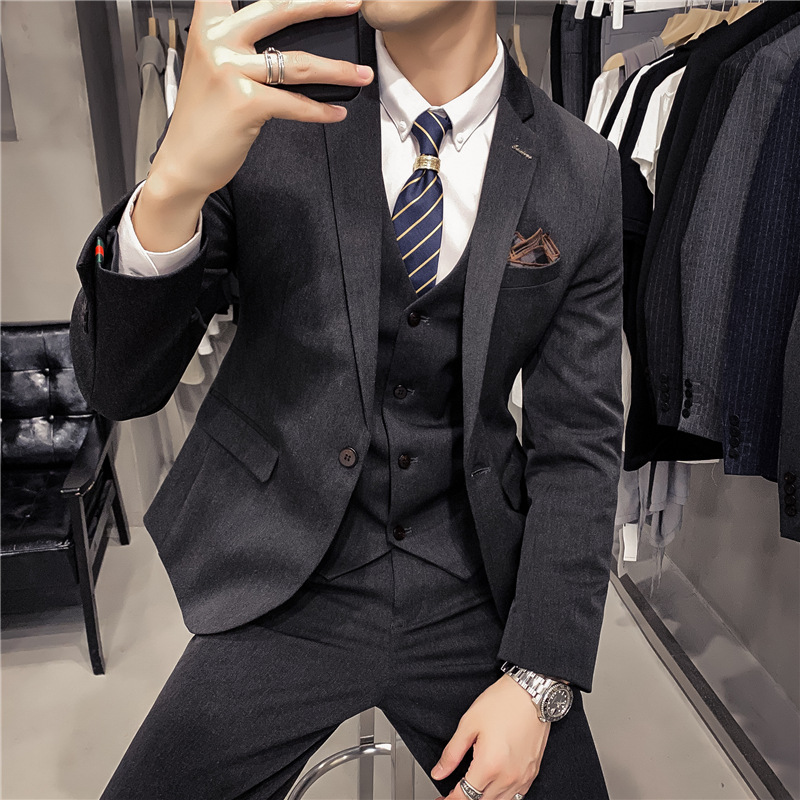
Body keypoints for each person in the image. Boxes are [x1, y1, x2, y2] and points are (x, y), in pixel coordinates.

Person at [70, 1, 623, 798]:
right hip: (283, 561)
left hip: (471, 575)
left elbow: (578, 444)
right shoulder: (267, 110)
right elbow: (119, 385)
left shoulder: (583, 172)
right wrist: (172, 187)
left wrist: (541, 679)